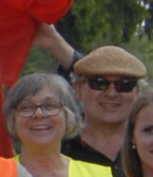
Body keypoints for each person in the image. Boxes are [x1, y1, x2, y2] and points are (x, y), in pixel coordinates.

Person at [29, 30, 146, 168]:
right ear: (78, 89)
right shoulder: (55, 151)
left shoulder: (152, 149)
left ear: (137, 92)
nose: (111, 93)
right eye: (99, 83)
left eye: (124, 85)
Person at [5, 73, 121, 177]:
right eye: (26, 107)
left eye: (49, 106)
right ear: (13, 118)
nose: (39, 114)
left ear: (68, 115)